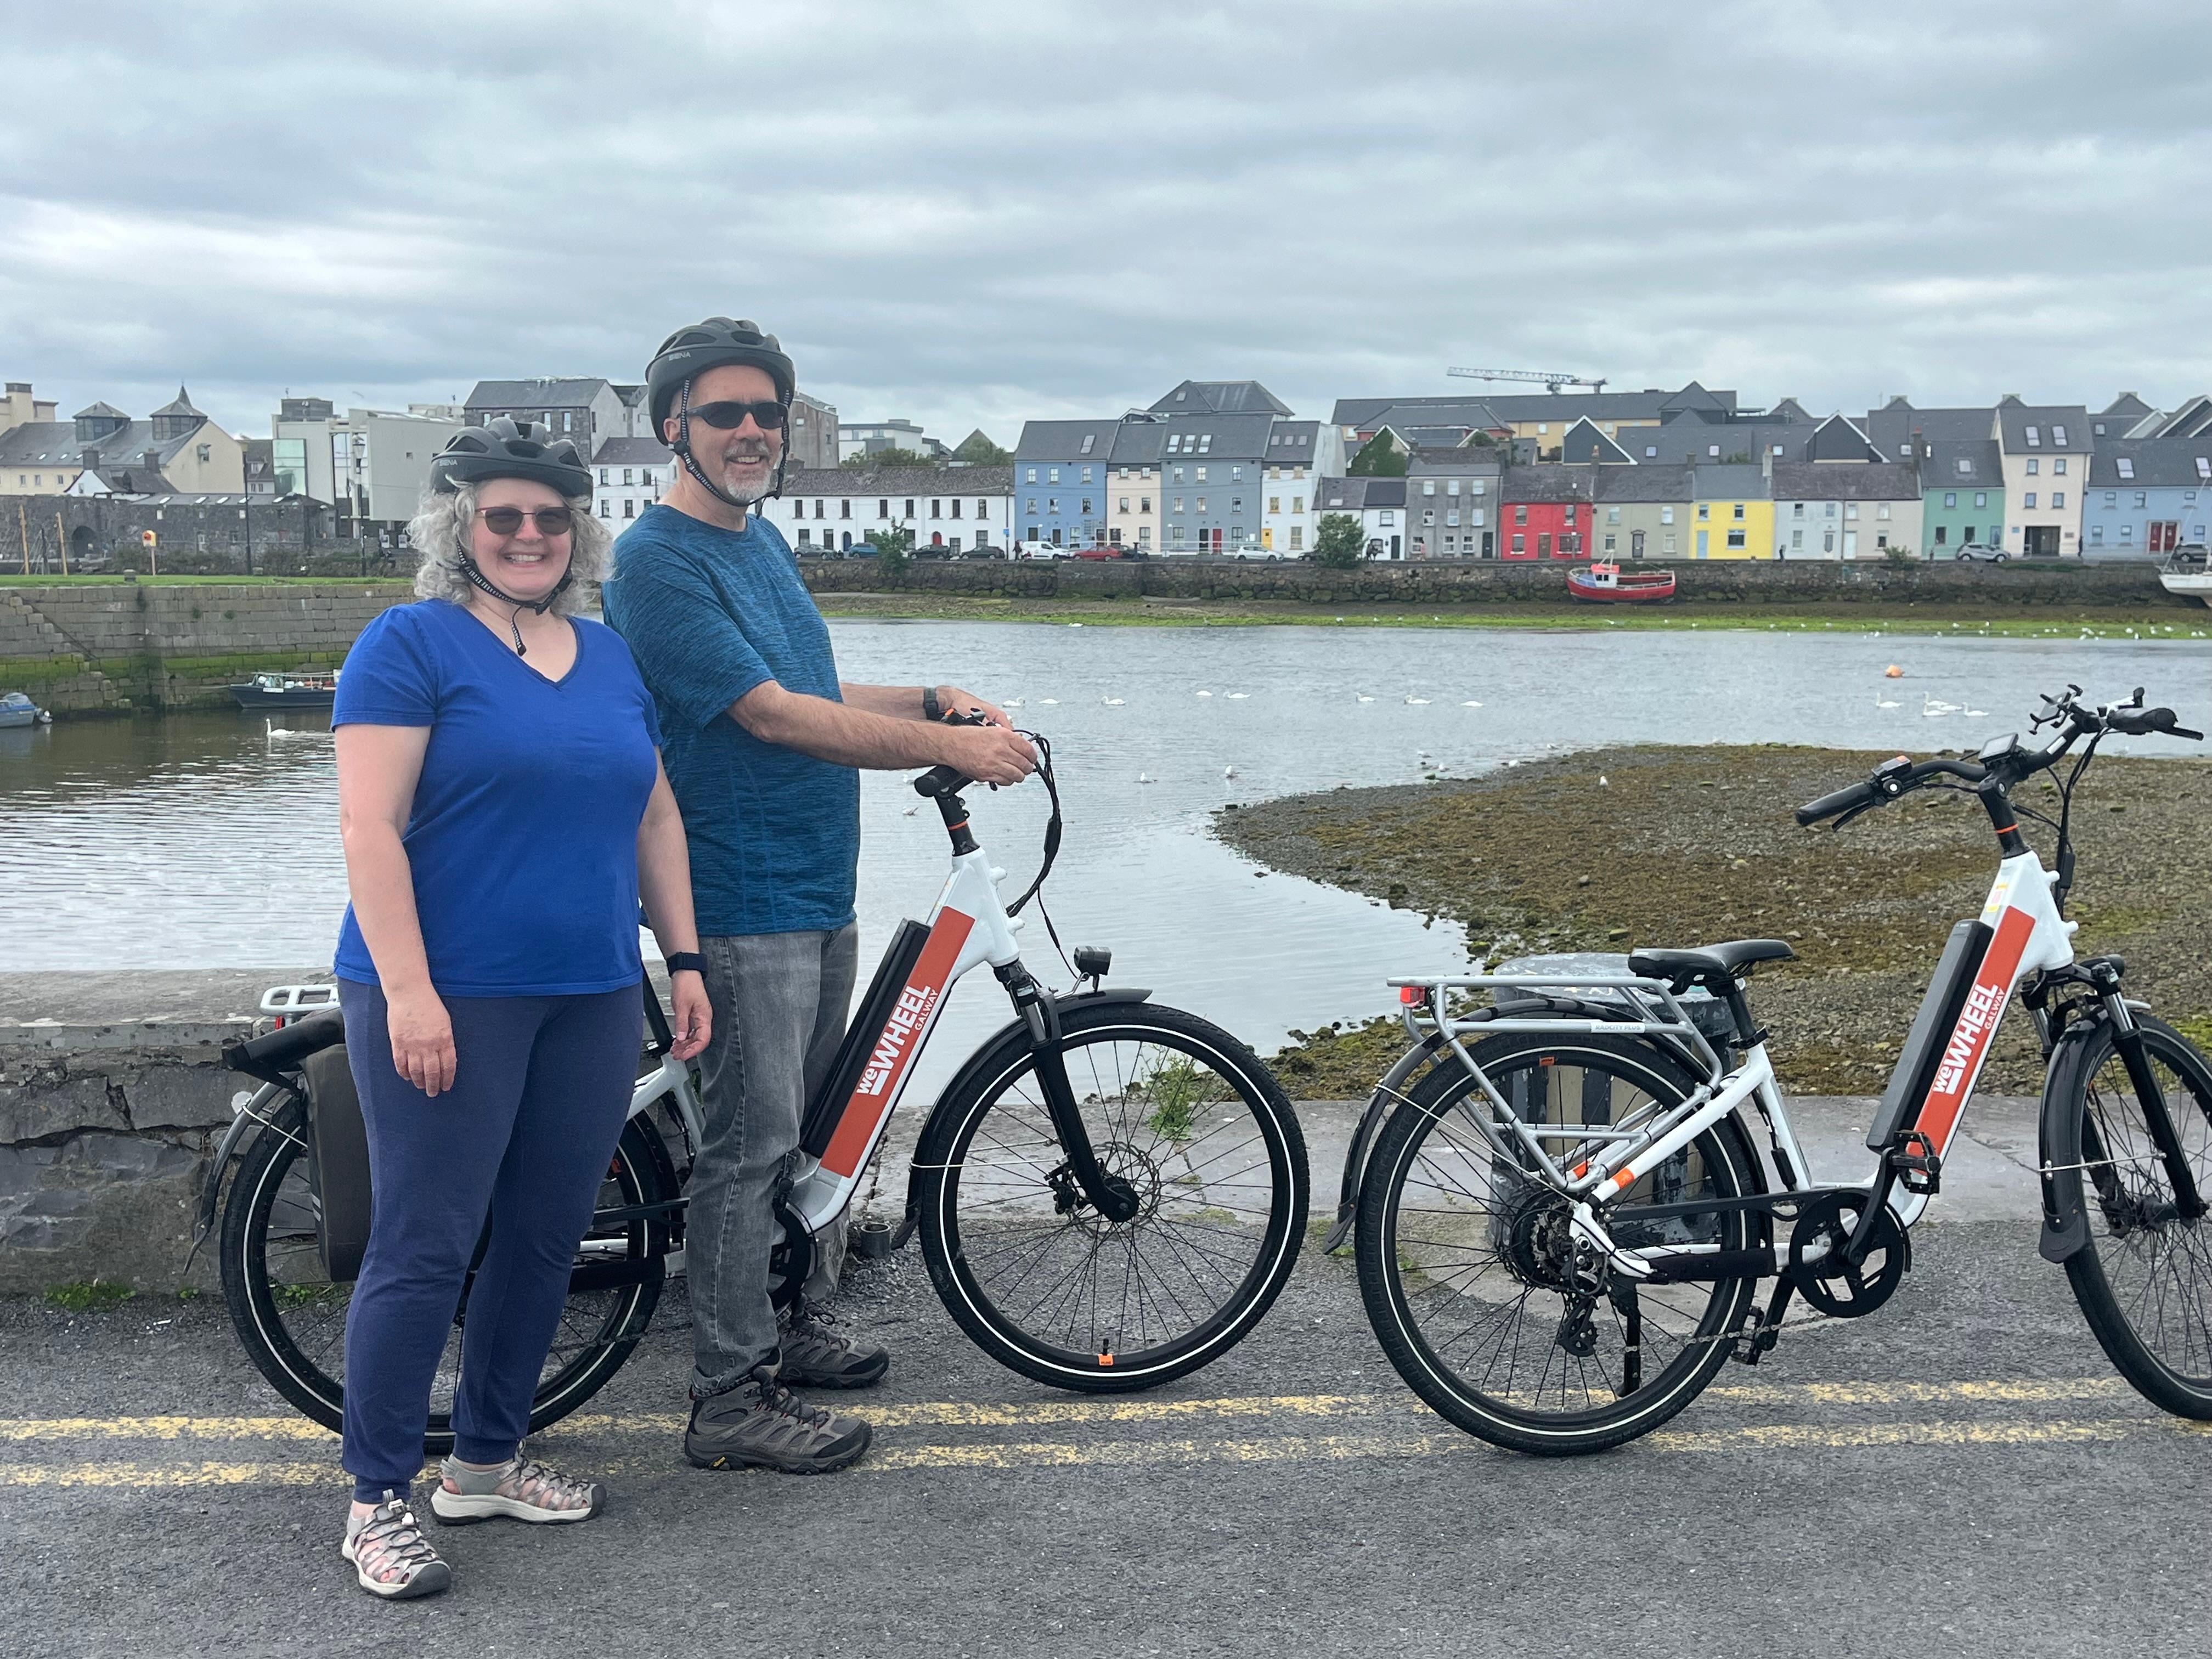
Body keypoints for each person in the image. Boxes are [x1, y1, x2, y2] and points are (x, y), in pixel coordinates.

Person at [602, 318, 1034, 1475]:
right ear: (673, 430)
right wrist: (937, 747)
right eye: (724, 413)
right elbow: (768, 714)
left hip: (809, 880)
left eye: (767, 412)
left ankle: (783, 1331)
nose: (751, 430)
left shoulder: (758, 542)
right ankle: (728, 1400)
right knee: (747, 1152)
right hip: (736, 895)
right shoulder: (656, 561)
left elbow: (815, 682)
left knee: (800, 1135)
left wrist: (934, 696)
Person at [329, 417, 712, 1599]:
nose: (530, 534)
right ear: (461, 527)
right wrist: (409, 992)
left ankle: (486, 1462)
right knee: (425, 1244)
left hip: (591, 990)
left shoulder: (605, 656)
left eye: (551, 518)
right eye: (504, 516)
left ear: (577, 531)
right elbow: (368, 827)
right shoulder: (411, 644)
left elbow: (651, 817)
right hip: (451, 993)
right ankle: (377, 1497)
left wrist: (682, 959)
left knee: (548, 1237)